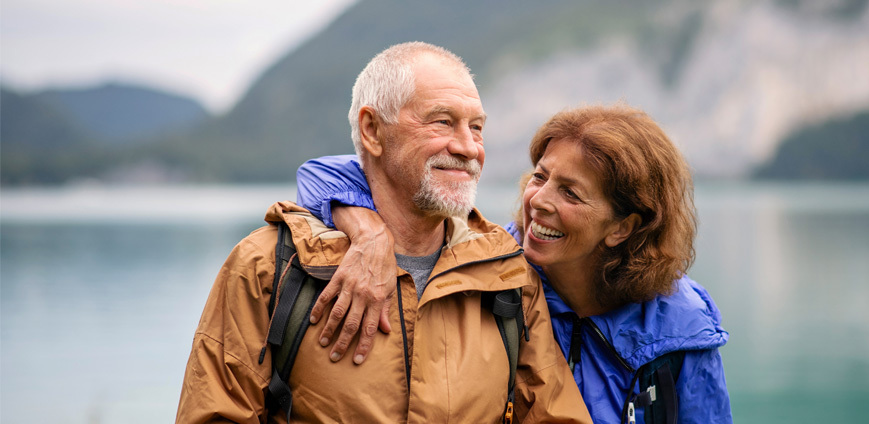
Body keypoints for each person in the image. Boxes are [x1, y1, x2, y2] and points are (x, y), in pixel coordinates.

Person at [176, 41, 591, 423]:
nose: (468, 147)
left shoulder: (509, 275)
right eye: (443, 122)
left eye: (477, 127)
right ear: (373, 131)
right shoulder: (268, 266)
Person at [296, 104, 733, 423]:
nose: (537, 201)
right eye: (540, 176)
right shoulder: (492, 267)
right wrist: (367, 230)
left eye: (570, 193)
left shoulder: (681, 325)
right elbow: (320, 173)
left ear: (622, 228)